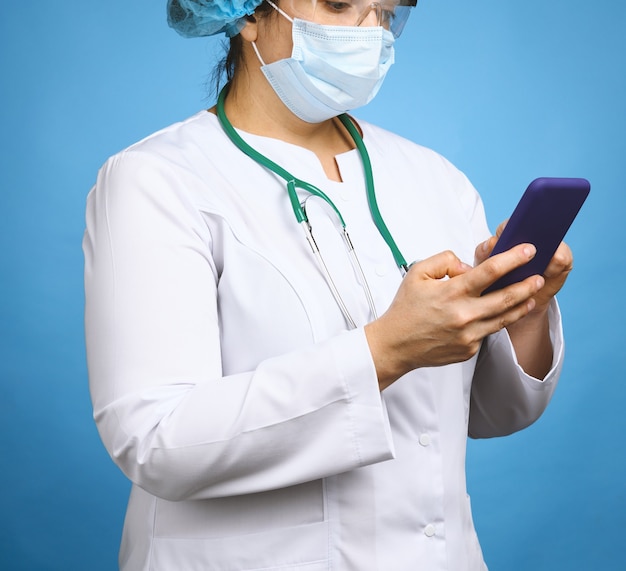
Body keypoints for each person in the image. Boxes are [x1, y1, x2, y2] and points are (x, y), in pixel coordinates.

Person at [83, 1, 572, 569]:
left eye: (385, 12)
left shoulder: (434, 178)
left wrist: (524, 311)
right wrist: (385, 350)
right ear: (247, 14)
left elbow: (489, 415)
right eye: (339, 4)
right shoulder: (157, 181)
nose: (368, 33)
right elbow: (156, 439)